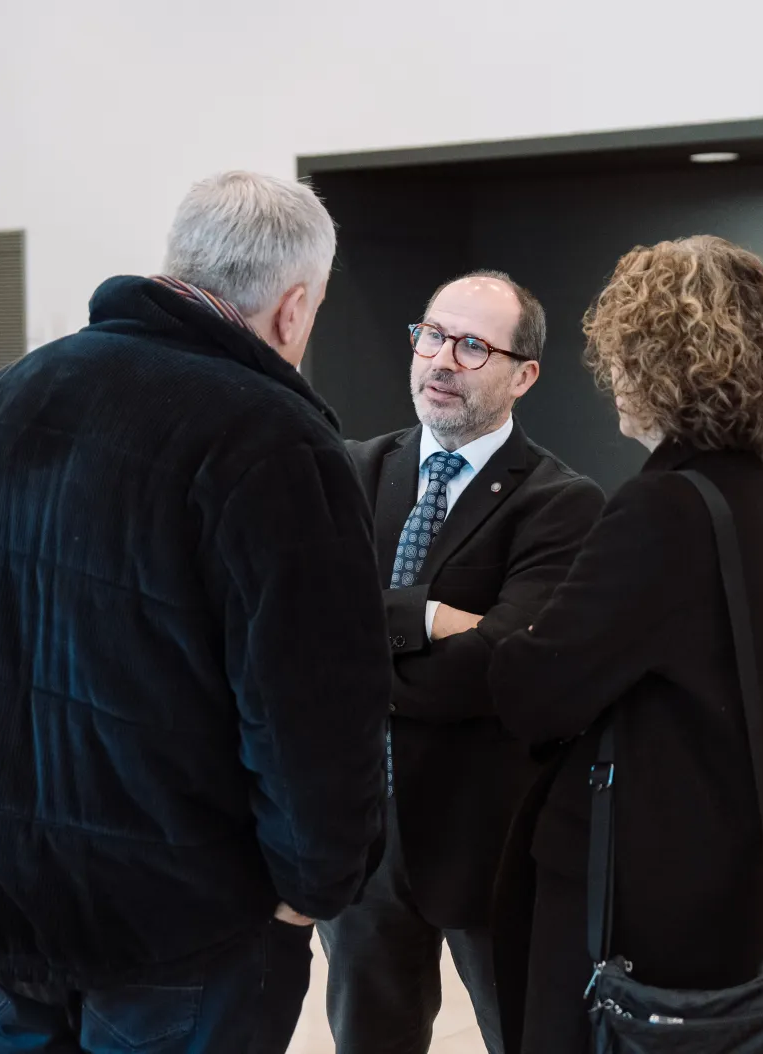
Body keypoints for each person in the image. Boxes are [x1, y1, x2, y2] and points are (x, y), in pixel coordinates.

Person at [0, 172, 393, 1054]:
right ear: (291, 308)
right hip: (178, 910)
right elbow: (311, 705)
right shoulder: (275, 437)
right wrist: (309, 887)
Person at [488, 235, 763, 1052]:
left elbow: (534, 690)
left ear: (654, 363)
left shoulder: (663, 509)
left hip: (638, 899)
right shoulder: (762, 498)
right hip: (734, 886)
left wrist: (465, 628)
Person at [322, 273, 604, 1054]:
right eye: (432, 335)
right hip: (360, 837)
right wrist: (434, 618)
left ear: (524, 375)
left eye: (473, 346)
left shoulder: (560, 502)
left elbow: (502, 666)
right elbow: (305, 629)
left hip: (491, 841)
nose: (442, 360)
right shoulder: (351, 470)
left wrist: (360, 645)